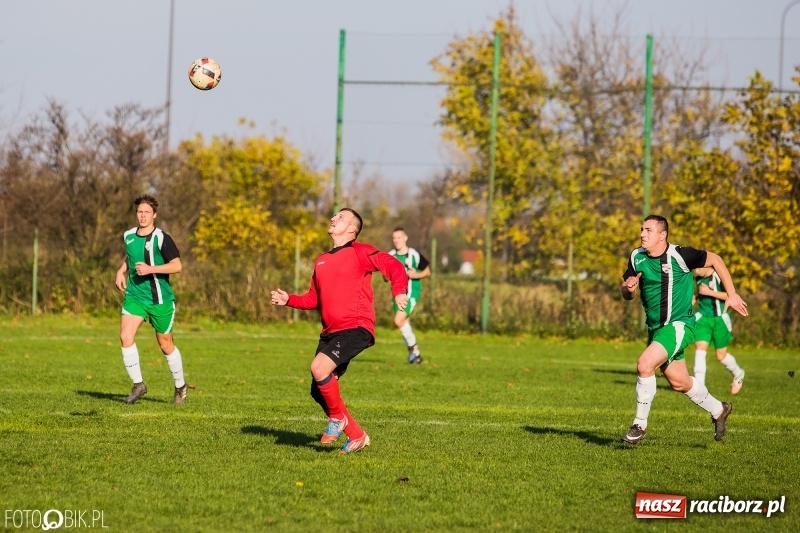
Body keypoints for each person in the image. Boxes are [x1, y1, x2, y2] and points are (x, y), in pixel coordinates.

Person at [271, 208, 408, 454]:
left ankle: (338, 418)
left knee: (319, 368)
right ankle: (356, 435)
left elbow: (394, 266)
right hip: (330, 332)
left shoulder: (360, 251)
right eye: (334, 216)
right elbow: (314, 299)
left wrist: (399, 291)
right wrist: (289, 299)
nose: (334, 218)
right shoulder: (321, 260)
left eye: (341, 217)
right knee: (318, 390)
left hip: (356, 327)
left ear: (352, 229)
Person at [619, 215, 748, 445]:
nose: (642, 234)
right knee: (679, 382)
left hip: (679, 325)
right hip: (656, 330)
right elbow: (627, 290)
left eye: (648, 230)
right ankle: (719, 409)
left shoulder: (680, 255)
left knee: (645, 364)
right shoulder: (636, 256)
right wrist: (628, 289)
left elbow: (716, 259)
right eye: (641, 229)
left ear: (662, 235)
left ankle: (639, 425)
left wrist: (732, 293)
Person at [114, 195, 188, 405]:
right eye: (140, 212)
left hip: (160, 299)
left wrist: (151, 269)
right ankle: (138, 384)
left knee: (165, 345)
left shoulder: (162, 238)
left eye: (147, 212)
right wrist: (121, 271)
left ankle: (180, 386)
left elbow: (177, 265)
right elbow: (130, 256)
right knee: (125, 336)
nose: (143, 216)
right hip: (135, 296)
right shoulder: (128, 235)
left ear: (154, 215)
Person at [692, 266, 746, 393]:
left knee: (720, 356)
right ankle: (700, 387)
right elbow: (700, 292)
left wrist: (709, 292)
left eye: (699, 268)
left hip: (720, 319)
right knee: (700, 348)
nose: (696, 271)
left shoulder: (719, 276)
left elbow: (730, 295)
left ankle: (738, 374)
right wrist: (695, 297)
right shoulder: (698, 277)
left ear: (706, 266)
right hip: (703, 318)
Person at [389, 227, 431, 364]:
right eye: (394, 238)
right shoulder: (390, 256)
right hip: (396, 294)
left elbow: (427, 272)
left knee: (398, 320)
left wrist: (415, 274)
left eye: (399, 237)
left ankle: (413, 349)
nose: (396, 240)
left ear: (405, 238)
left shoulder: (414, 254)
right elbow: (385, 276)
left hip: (411, 292)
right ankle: (416, 355)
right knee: (403, 322)